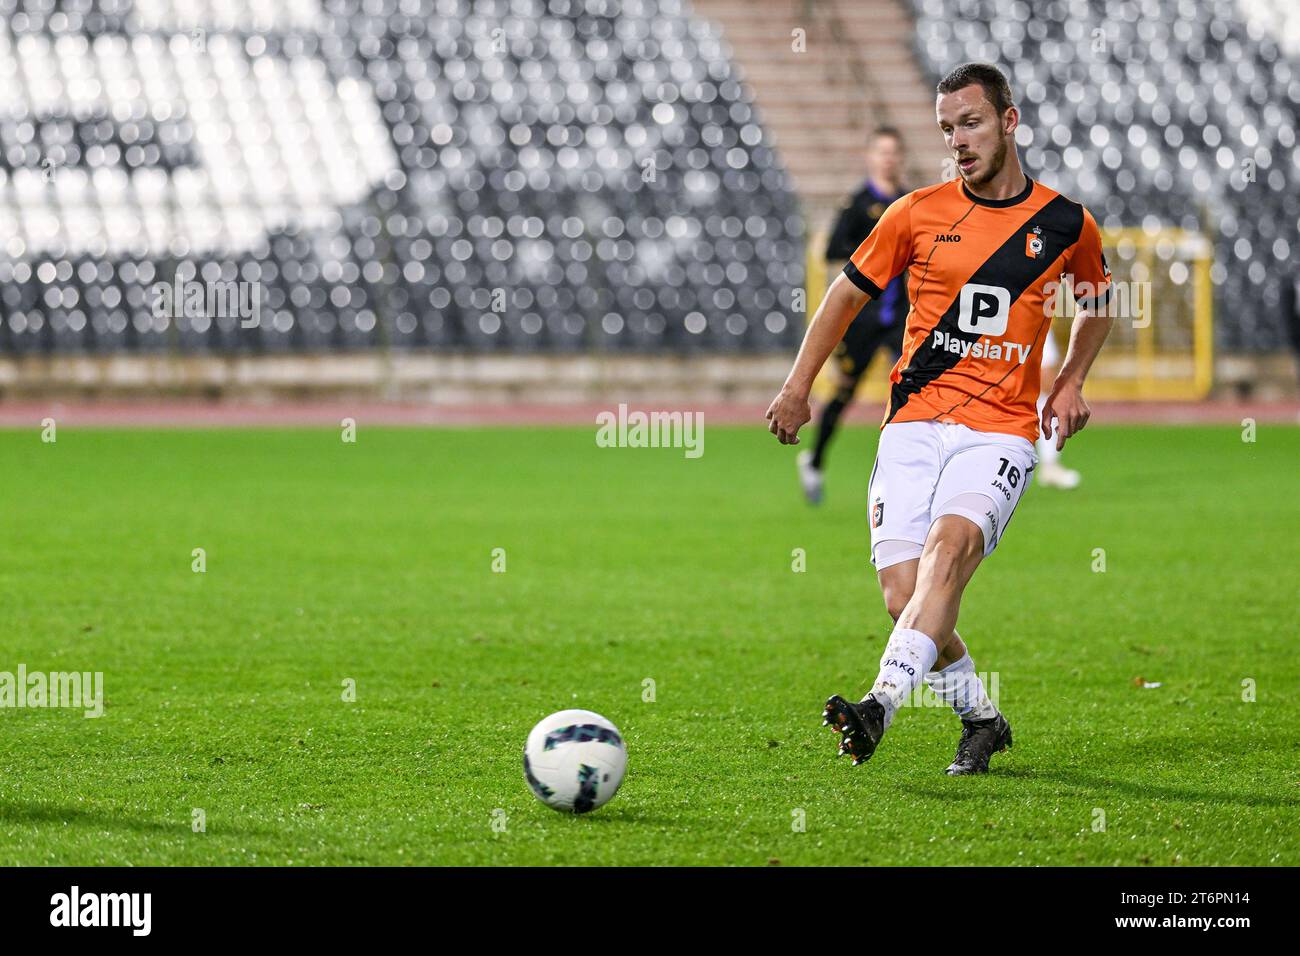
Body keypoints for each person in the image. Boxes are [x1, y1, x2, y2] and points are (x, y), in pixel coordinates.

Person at [765, 62, 1113, 774]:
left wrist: (1072, 379)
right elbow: (844, 296)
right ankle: (982, 720)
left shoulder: (1066, 223)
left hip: (1000, 430)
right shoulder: (914, 213)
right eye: (946, 129)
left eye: (971, 123)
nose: (957, 140)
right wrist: (799, 386)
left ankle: (878, 705)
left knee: (946, 557)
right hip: (913, 424)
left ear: (1010, 121)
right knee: (906, 598)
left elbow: (1098, 302)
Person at [797, 128, 909, 504]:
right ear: (870, 157)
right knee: (844, 393)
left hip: (900, 319)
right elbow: (832, 250)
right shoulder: (858, 204)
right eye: (882, 152)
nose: (888, 159)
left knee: (910, 389)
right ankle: (813, 461)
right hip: (862, 318)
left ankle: (906, 475)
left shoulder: (909, 202)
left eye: (894, 152)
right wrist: (873, 253)